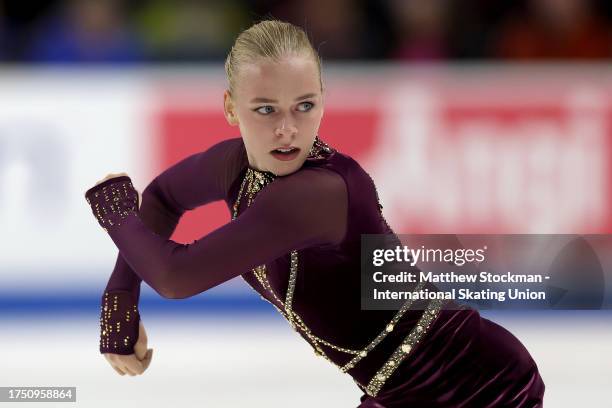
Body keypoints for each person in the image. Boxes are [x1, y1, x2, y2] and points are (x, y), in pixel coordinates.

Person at [85, 19, 545, 407]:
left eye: (304, 106)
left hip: (478, 386)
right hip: (396, 391)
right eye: (265, 109)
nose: (287, 130)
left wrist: (114, 210)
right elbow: (164, 197)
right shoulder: (235, 165)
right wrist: (120, 296)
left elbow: (175, 276)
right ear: (230, 107)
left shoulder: (317, 194)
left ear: (323, 98)